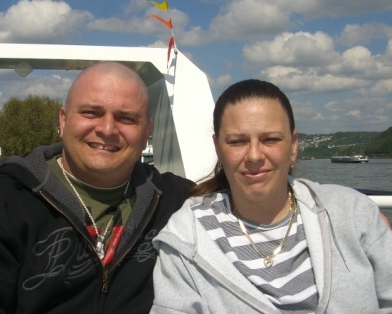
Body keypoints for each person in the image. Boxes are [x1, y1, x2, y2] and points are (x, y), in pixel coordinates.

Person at [0, 62, 193, 313]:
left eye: (126, 118)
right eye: (91, 113)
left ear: (147, 131)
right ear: (63, 121)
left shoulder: (180, 201)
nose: (107, 129)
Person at [150, 79, 392, 314]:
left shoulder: (352, 214)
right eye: (237, 141)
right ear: (218, 149)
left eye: (271, 139)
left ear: (294, 145)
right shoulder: (186, 237)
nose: (254, 155)